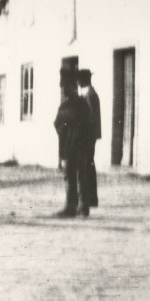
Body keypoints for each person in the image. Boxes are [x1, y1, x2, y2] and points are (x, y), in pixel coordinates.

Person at [54, 85, 92, 218]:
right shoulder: (82, 104)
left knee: (71, 175)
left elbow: (58, 124)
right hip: (80, 145)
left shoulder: (66, 106)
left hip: (71, 145)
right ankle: (83, 206)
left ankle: (72, 206)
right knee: (81, 175)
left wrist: (66, 132)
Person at [78, 70, 103, 208]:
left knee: (87, 165)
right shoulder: (89, 94)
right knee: (88, 165)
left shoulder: (90, 95)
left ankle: (91, 198)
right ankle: (91, 198)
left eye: (79, 80)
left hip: (88, 136)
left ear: (83, 81)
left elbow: (91, 118)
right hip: (89, 135)